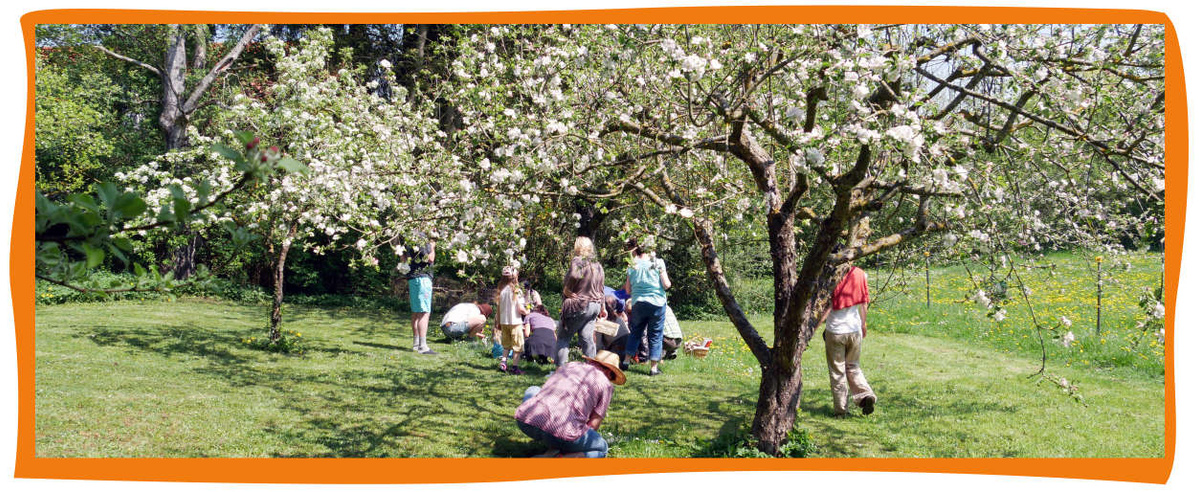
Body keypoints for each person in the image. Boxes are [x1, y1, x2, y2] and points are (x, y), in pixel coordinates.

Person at [514, 350, 625, 458]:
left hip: (526, 421)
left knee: (534, 389)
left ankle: (552, 445)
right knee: (602, 448)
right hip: (561, 432)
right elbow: (594, 424)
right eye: (612, 378)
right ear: (609, 373)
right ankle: (559, 457)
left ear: (592, 362)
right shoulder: (605, 384)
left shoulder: (570, 365)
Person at [818, 262, 877, 417]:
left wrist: (815, 325)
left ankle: (841, 410)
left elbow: (827, 307)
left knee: (838, 372)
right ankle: (865, 395)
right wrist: (863, 324)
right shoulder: (860, 274)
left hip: (836, 331)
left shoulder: (832, 278)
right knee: (853, 367)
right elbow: (864, 302)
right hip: (855, 329)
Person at [621, 238, 671, 376]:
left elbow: (628, 290)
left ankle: (625, 362)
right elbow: (666, 285)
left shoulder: (632, 264)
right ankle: (653, 368)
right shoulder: (657, 262)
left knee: (635, 332)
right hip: (657, 303)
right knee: (655, 334)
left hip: (638, 303)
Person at [556, 237, 607, 367]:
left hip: (579, 304)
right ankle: (592, 371)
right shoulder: (598, 265)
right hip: (594, 306)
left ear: (578, 247)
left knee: (563, 337)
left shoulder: (578, 261)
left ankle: (559, 371)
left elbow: (574, 275)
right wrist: (603, 307)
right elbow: (602, 288)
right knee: (587, 338)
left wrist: (567, 289)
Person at [401, 240, 436, 355]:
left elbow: (403, 259)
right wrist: (432, 247)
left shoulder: (409, 238)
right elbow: (430, 258)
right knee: (424, 312)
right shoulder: (422, 239)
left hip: (413, 277)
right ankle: (423, 346)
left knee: (416, 312)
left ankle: (416, 344)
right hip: (422, 278)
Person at [495, 266, 531, 375]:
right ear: (515, 277)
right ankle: (515, 368)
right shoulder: (516, 291)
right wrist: (527, 312)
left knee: (506, 345)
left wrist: (498, 322)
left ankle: (503, 362)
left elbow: (498, 309)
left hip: (504, 322)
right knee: (517, 346)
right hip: (515, 322)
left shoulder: (501, 291)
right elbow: (520, 308)